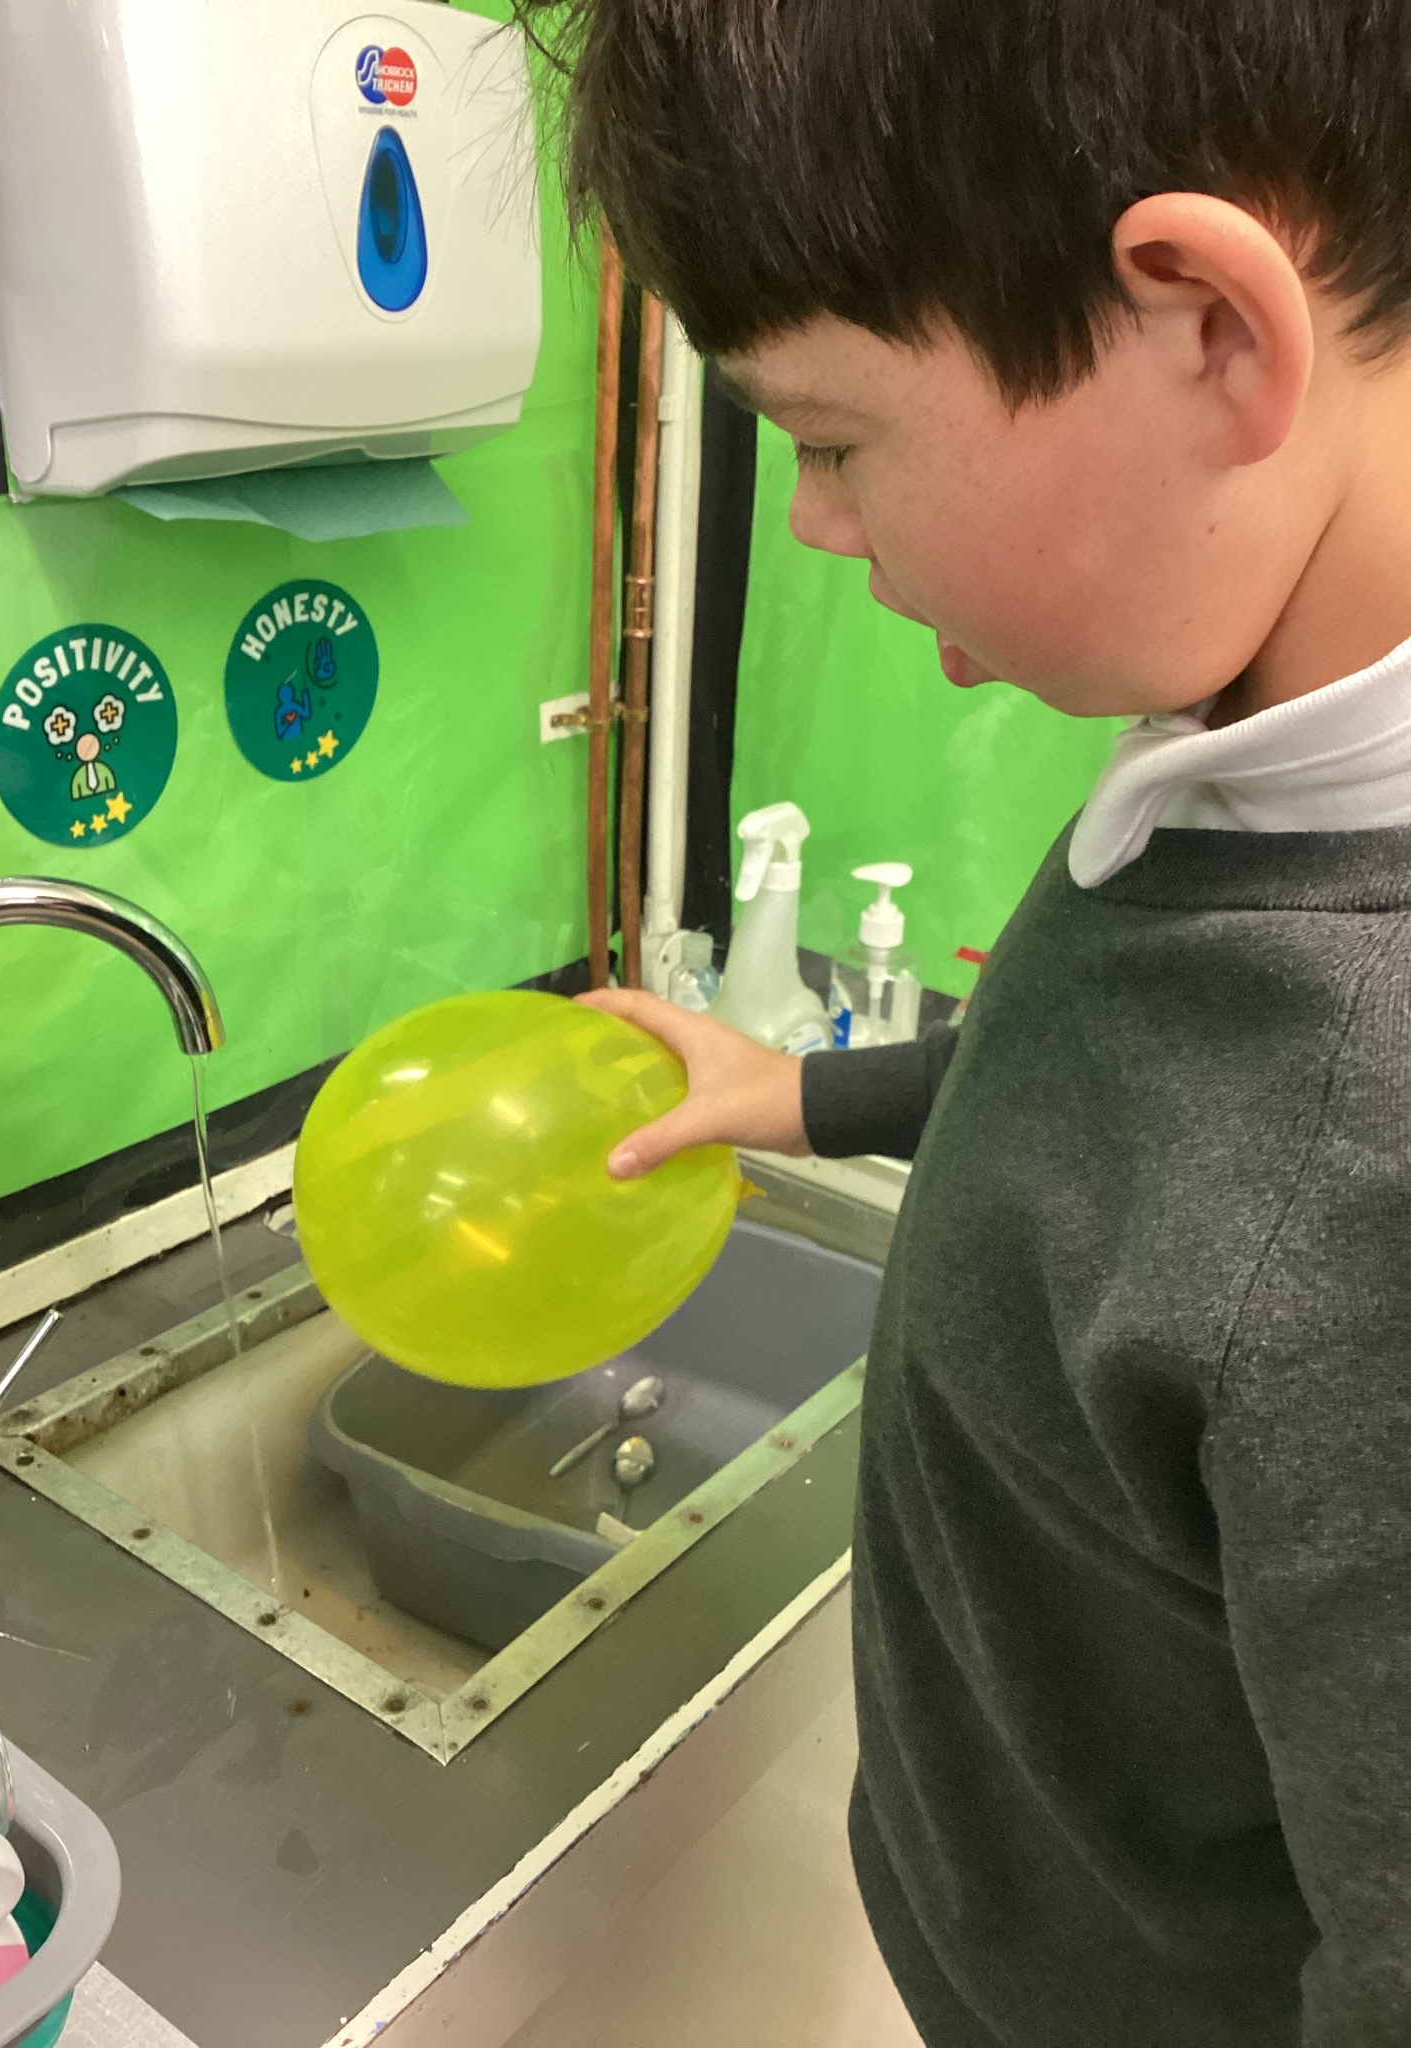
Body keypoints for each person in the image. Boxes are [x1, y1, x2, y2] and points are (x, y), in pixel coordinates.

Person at [520, 1, 1411, 2041]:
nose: (815, 523)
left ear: (1211, 330)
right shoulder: (1239, 762)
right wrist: (806, 1093)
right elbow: (1145, 1122)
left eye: (832, 440)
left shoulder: (1377, 1150)